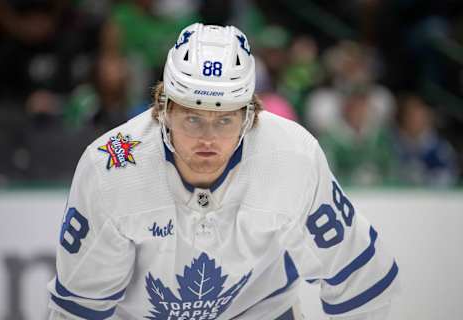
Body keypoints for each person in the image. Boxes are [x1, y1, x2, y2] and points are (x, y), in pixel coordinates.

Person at [47, 23, 400, 319]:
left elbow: (359, 278)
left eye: (226, 119)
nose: (208, 139)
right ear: (162, 108)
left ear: (251, 115)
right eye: (192, 117)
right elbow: (78, 306)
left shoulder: (293, 156)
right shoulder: (111, 167)